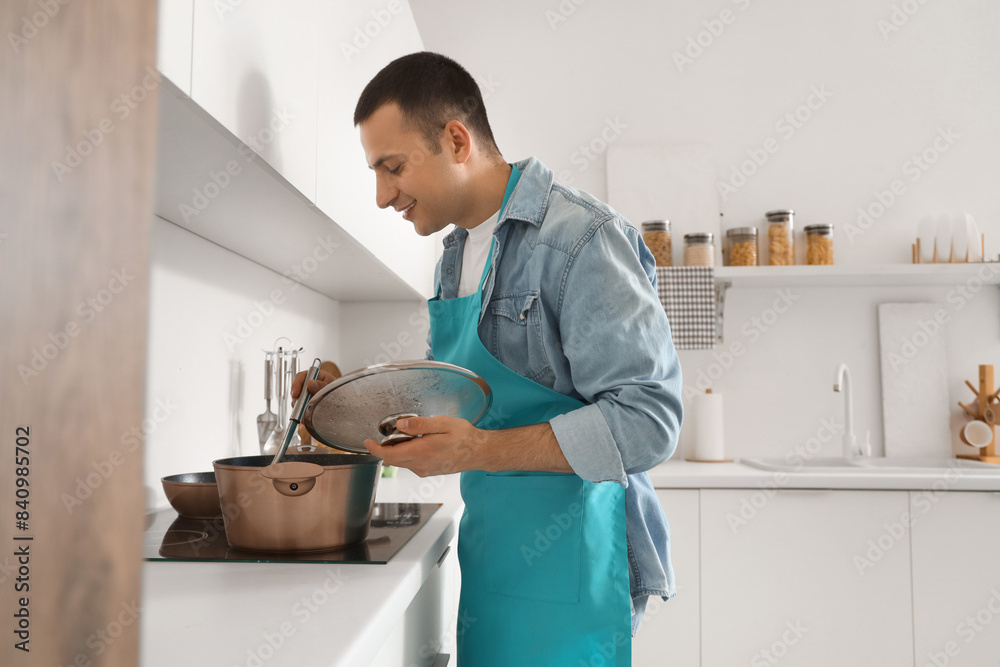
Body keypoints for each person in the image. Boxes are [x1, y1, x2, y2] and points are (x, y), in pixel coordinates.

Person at [293, 51, 682, 666]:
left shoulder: (581, 239)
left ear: (455, 139)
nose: (380, 195)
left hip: (577, 563)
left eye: (392, 168)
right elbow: (450, 400)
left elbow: (649, 423)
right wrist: (342, 399)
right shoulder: (457, 251)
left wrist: (476, 452)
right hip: (497, 557)